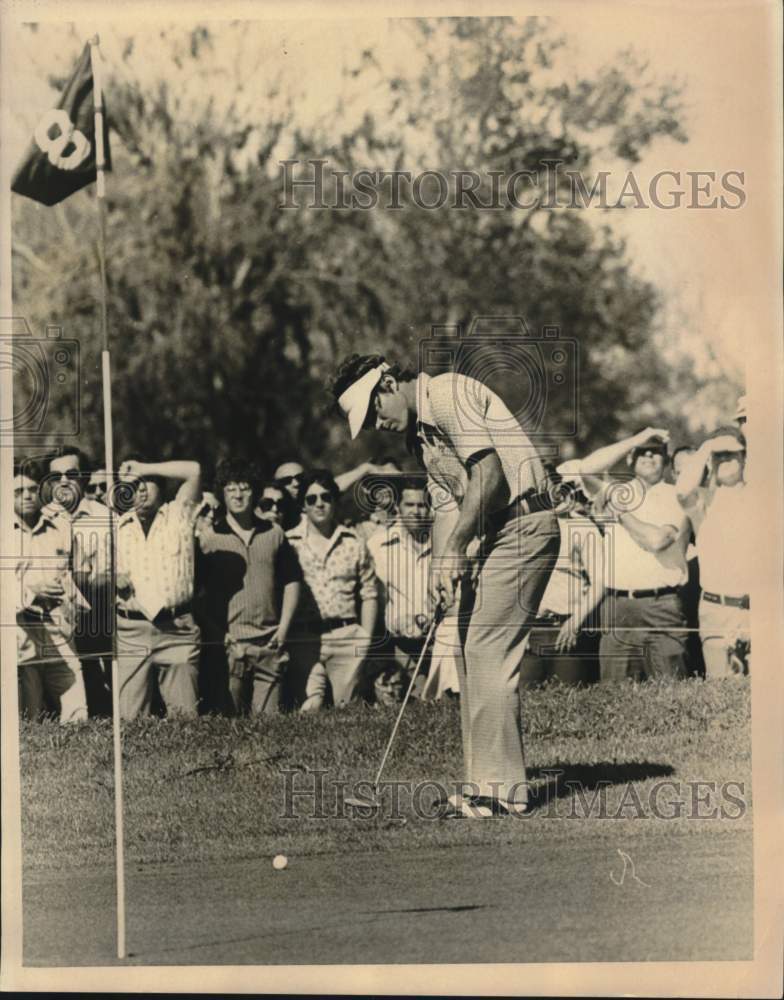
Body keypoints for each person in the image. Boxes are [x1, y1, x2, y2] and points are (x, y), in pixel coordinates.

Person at [331, 353, 560, 817]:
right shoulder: (422, 438)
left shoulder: (449, 393)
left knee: (487, 650)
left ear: (390, 383)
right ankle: (482, 786)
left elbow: (490, 476)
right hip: (493, 534)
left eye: (376, 410)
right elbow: (446, 507)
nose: (378, 423)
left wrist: (456, 548)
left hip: (524, 523)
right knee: (463, 646)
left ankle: (500, 794)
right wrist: (441, 569)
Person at [566, 428, 691, 681]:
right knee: (616, 698)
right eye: (642, 451)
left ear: (666, 461)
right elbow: (586, 468)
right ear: (630, 458)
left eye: (655, 452)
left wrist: (621, 512)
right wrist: (639, 437)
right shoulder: (615, 490)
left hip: (661, 606)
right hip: (617, 606)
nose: (648, 456)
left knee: (672, 697)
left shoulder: (677, 495)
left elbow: (656, 540)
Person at [196, 459, 301, 715]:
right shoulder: (210, 539)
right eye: (230, 489)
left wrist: (284, 628)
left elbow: (292, 581)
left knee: (270, 725)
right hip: (231, 648)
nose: (238, 495)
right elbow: (198, 596)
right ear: (222, 493)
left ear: (255, 491)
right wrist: (220, 635)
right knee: (229, 726)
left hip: (270, 645)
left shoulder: (274, 533)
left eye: (244, 488)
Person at [115, 456, 203, 719]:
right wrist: (113, 577)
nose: (142, 488)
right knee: (130, 722)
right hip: (131, 631)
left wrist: (143, 467)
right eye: (135, 483)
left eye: (149, 482)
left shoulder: (179, 514)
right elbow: (93, 572)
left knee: (186, 720)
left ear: (161, 486)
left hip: (177, 629)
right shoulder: (115, 526)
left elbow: (194, 470)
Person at [286, 469, 378, 710]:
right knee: (306, 711)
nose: (319, 504)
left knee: (348, 714)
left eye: (326, 497)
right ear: (303, 506)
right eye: (311, 499)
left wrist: (365, 638)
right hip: (305, 639)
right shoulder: (289, 544)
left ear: (335, 502)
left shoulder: (354, 542)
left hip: (347, 637)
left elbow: (369, 593)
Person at [14, 461, 88, 723]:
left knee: (78, 713)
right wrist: (32, 591)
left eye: (32, 489)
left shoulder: (60, 528)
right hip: (21, 635)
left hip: (59, 630)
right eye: (18, 491)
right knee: (28, 720)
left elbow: (71, 575)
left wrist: (74, 603)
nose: (26, 496)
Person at [676, 426, 750, 678]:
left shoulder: (762, 497)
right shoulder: (702, 501)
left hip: (757, 610)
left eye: (732, 453)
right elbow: (682, 490)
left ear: (744, 457)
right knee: (720, 693)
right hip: (716, 609)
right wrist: (709, 445)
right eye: (720, 455)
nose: (726, 459)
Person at [45, 447, 113, 715]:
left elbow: (110, 571)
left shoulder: (105, 517)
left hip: (99, 615)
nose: (63, 481)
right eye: (55, 476)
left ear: (83, 478)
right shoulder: (41, 519)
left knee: (104, 692)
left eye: (71, 474)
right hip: (57, 621)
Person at [519, 483, 604, 688]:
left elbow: (600, 582)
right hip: (528, 631)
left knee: (569, 700)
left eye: (563, 490)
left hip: (566, 629)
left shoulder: (583, 528)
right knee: (523, 703)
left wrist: (575, 622)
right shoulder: (522, 527)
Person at [367, 477, 434, 704]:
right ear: (397, 507)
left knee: (435, 707)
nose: (416, 512)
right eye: (410, 505)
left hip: (436, 644)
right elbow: (371, 596)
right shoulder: (377, 546)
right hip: (394, 646)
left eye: (422, 505)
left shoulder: (443, 544)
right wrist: (395, 622)